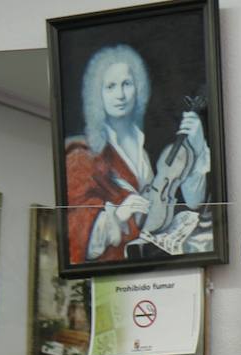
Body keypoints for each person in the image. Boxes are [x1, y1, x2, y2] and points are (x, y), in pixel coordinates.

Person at [64, 44, 209, 263]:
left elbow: (194, 200)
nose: (120, 95)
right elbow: (75, 231)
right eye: (110, 87)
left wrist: (197, 146)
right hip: (116, 267)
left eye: (127, 84)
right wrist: (118, 216)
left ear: (138, 88)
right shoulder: (82, 156)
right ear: (97, 94)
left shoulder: (144, 143)